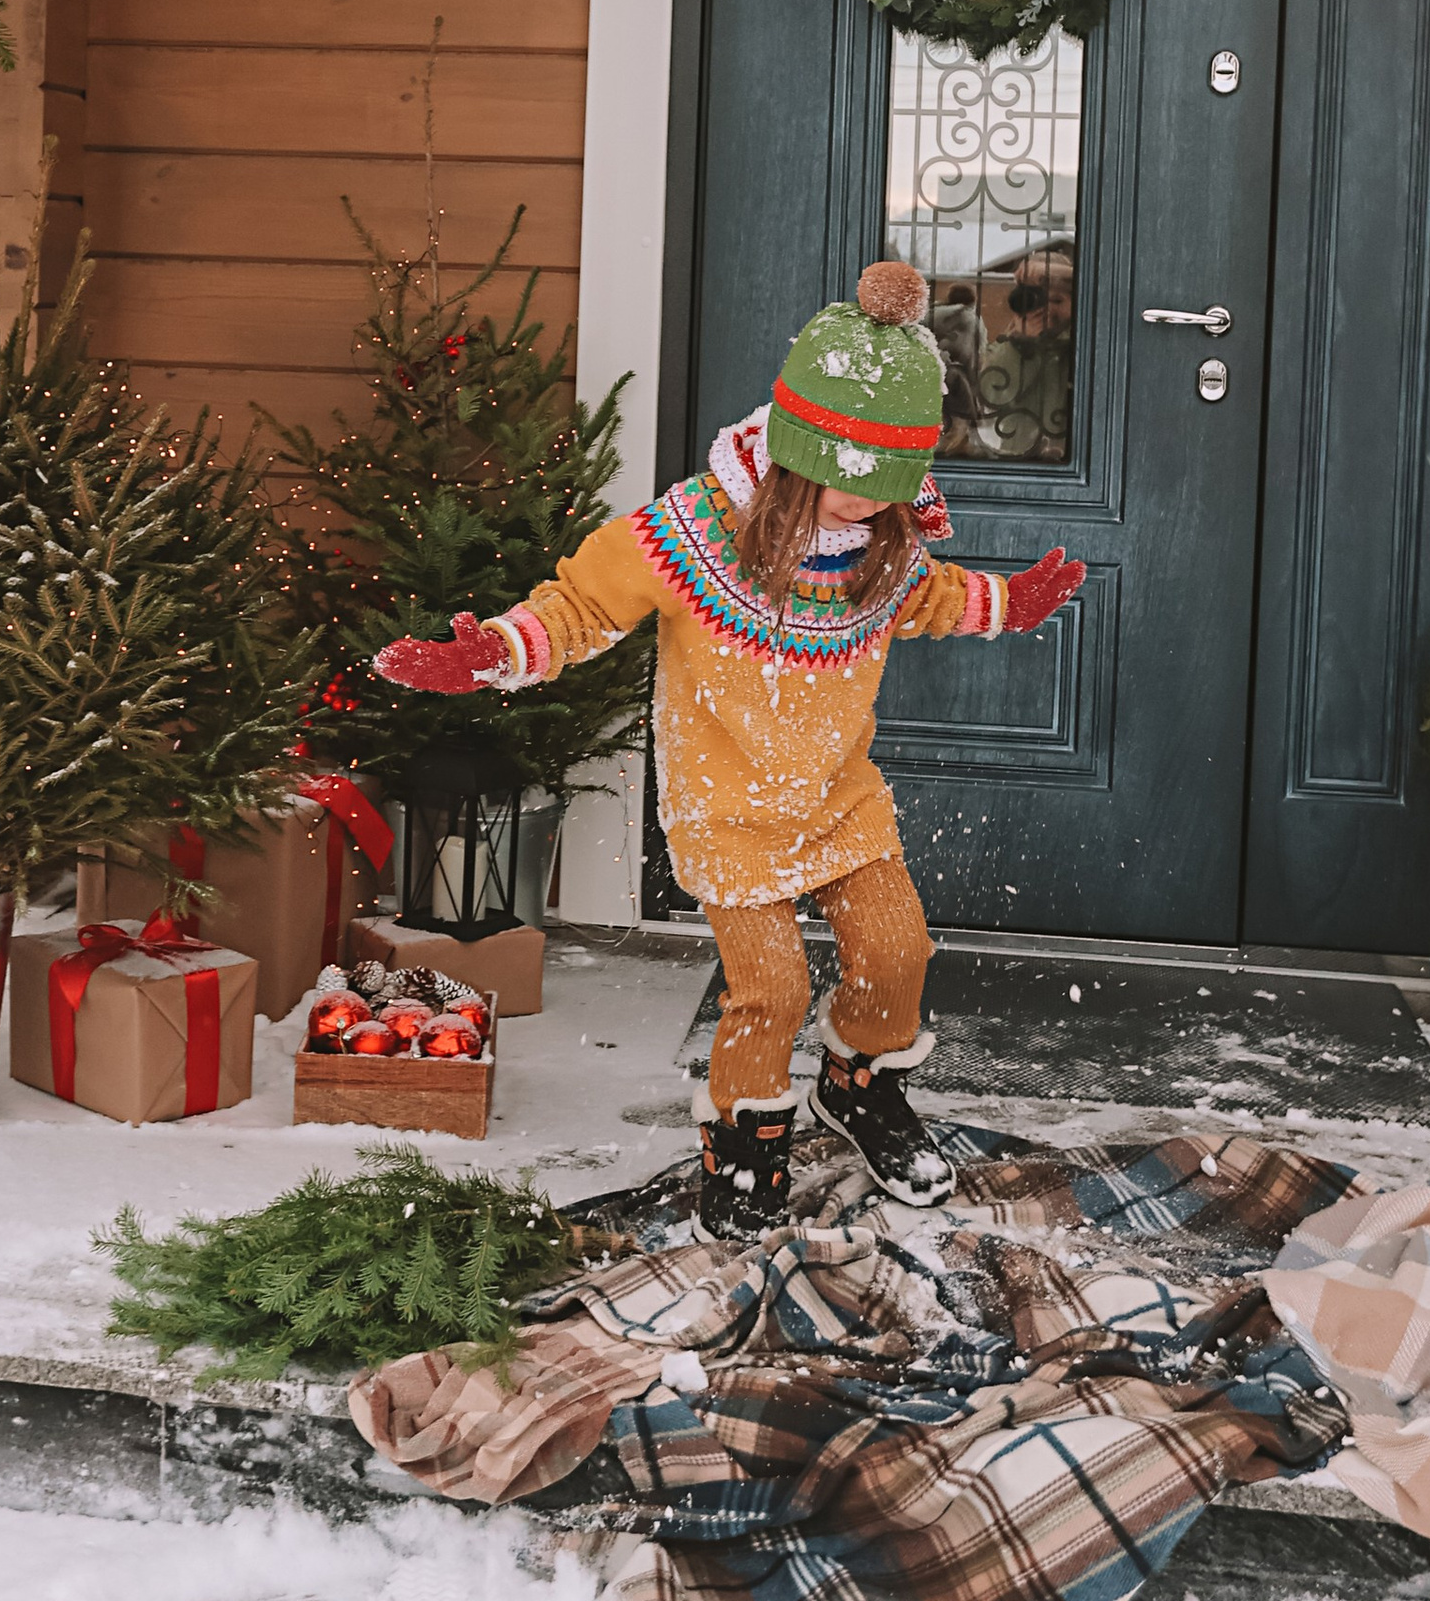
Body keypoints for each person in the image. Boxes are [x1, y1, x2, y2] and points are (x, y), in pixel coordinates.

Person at [374, 261, 1086, 1239]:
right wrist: (498, 649)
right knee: (773, 986)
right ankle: (745, 1141)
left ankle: (861, 1087)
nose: (859, 501)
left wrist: (1007, 602)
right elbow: (585, 602)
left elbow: (927, 597)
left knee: (896, 949)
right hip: (727, 810)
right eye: (841, 475)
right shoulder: (689, 533)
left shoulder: (882, 545)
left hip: (838, 795)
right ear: (793, 447)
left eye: (883, 486)